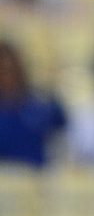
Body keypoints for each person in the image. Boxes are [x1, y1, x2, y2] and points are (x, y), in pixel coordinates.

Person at [0, 39, 67, 168]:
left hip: (37, 178)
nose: (7, 76)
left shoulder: (43, 105)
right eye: (2, 71)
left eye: (11, 69)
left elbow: (64, 139)